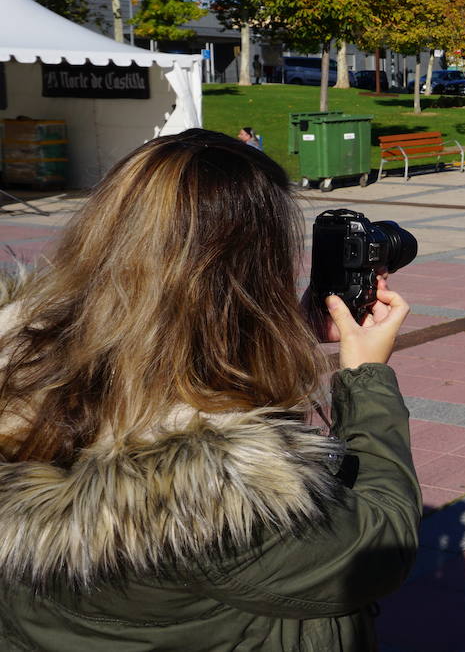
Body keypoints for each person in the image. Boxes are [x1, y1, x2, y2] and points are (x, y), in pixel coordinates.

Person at [0, 130, 419, 650]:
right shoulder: (210, 493)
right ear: (249, 278)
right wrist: (367, 379)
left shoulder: (23, 370)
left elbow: (145, 346)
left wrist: (272, 329)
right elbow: (381, 545)